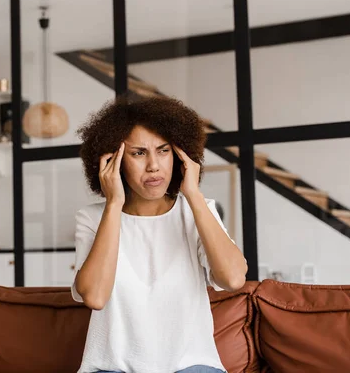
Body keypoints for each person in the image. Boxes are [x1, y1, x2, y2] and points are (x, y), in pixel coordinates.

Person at [72, 96, 248, 373]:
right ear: (113, 162)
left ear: (181, 156)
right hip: (111, 368)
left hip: (191, 367)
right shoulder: (93, 219)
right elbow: (94, 296)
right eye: (138, 153)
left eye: (163, 151)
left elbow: (234, 278)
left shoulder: (197, 211)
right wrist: (114, 204)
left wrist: (193, 194)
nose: (153, 165)